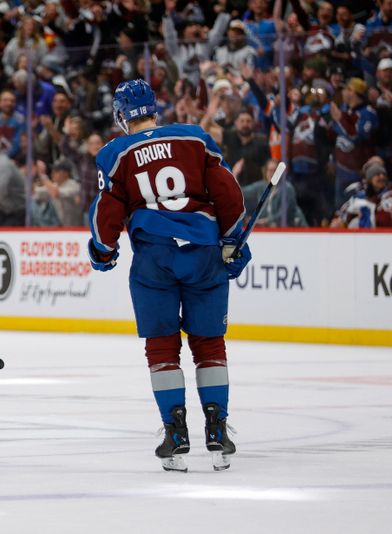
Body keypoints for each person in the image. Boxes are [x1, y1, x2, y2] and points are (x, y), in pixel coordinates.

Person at [87, 79, 251, 472]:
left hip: (155, 258)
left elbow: (106, 211)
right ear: (154, 110)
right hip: (202, 252)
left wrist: (103, 251)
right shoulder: (196, 139)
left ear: (121, 116)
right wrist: (234, 241)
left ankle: (175, 433)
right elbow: (229, 194)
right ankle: (217, 430)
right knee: (209, 343)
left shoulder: (114, 153)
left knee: (161, 347)